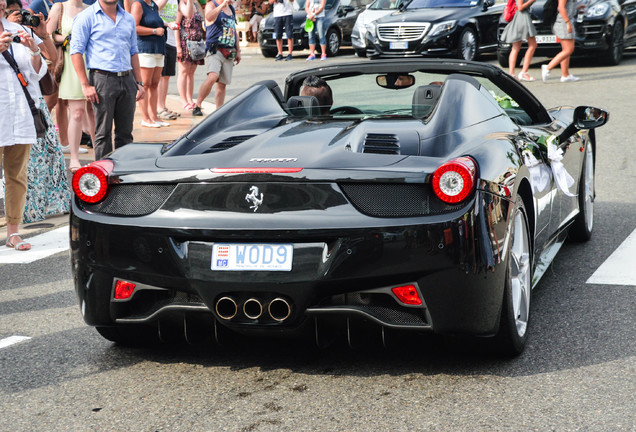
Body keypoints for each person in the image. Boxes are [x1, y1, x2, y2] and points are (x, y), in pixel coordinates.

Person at [70, 0, 146, 161]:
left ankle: (122, 172)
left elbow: (133, 51)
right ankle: (104, 177)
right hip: (102, 79)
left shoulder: (128, 18)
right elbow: (76, 51)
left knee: (125, 133)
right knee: (103, 133)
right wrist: (85, 84)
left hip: (127, 79)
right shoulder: (86, 17)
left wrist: (139, 83)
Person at [1, 3, 47, 250]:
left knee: (16, 174)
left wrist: (34, 51)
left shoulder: (18, 29)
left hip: (19, 112)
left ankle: (13, 232)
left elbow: (37, 74)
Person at [47, 0, 95, 172]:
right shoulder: (59, 7)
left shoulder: (92, 9)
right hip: (70, 62)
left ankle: (100, 155)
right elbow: (49, 35)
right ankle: (74, 158)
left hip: (92, 62)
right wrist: (68, 38)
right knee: (76, 112)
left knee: (94, 111)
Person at [191, 0, 241, 116]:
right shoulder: (211, 5)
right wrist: (222, 6)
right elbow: (208, 17)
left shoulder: (231, 8)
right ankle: (198, 104)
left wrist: (238, 50)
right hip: (215, 49)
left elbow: (234, 29)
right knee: (213, 76)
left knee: (222, 83)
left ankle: (218, 111)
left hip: (229, 50)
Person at [131, 0, 173, 128]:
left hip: (158, 49)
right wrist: (154, 31)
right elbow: (134, 27)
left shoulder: (153, 5)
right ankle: (146, 118)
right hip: (145, 49)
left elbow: (157, 22)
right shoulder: (138, 5)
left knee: (155, 84)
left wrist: (167, 25)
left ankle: (154, 116)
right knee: (146, 84)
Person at [157, 0, 193, 120]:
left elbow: (188, 13)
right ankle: (158, 107)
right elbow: (155, 7)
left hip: (171, 40)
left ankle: (163, 105)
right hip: (160, 38)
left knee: (166, 76)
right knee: (160, 76)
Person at [541, 0, 579, 82]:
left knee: (566, 50)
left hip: (565, 21)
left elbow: (567, 7)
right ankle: (548, 67)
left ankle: (565, 75)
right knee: (568, 50)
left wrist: (578, 7)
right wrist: (568, 23)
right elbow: (561, 8)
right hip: (563, 22)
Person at [175, 0, 203, 111]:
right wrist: (178, 46)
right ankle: (184, 100)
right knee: (184, 71)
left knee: (191, 73)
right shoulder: (181, 5)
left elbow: (203, 18)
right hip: (185, 42)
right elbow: (176, 27)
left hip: (196, 43)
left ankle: (190, 98)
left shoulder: (195, 4)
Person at [500, 0, 537, 81]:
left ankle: (511, 74)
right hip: (523, 17)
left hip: (519, 17)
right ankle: (524, 72)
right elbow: (520, 7)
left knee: (516, 47)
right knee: (533, 45)